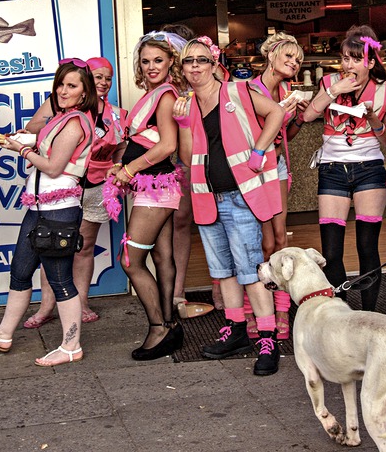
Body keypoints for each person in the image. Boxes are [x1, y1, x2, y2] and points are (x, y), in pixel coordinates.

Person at [0, 59, 97, 366]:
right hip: (38, 208)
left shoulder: (76, 122)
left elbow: (53, 167)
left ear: (84, 92)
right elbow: (45, 151)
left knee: (60, 279)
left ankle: (71, 345)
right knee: (21, 271)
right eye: (61, 84)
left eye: (72, 86)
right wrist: (27, 142)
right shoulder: (60, 119)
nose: (64, 91)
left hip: (59, 211)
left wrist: (21, 150)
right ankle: (3, 333)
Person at [173, 36, 286, 375]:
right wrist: (181, 125)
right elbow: (185, 156)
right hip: (208, 198)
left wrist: (259, 150)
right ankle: (236, 330)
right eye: (188, 61)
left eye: (201, 60)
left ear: (213, 63)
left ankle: (267, 338)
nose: (195, 66)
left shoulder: (237, 91)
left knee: (250, 270)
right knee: (223, 273)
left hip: (240, 198)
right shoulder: (187, 105)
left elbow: (277, 112)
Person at [21, 56, 125, 328]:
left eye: (107, 77)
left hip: (97, 187)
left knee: (84, 248)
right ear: (86, 81)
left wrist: (119, 170)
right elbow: (32, 130)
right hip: (64, 188)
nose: (103, 82)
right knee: (50, 246)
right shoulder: (62, 105)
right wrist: (56, 122)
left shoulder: (116, 113)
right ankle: (46, 307)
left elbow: (122, 148)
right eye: (97, 76)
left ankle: (81, 303)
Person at [105, 31, 187, 360]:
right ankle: (170, 324)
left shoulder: (165, 96)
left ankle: (159, 328)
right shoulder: (155, 94)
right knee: (161, 257)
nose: (151, 66)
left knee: (130, 261)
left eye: (158, 60)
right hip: (155, 185)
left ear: (171, 62)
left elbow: (168, 145)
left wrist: (128, 169)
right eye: (145, 61)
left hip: (156, 186)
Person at [300, 25, 386, 312]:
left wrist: (374, 118)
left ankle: (368, 315)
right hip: (332, 169)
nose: (348, 65)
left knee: (367, 247)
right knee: (331, 250)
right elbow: (307, 115)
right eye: (345, 58)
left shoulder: (385, 89)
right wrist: (334, 91)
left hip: (369, 169)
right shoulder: (330, 81)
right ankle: (341, 313)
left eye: (356, 59)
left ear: (371, 62)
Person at [249, 31, 309, 339]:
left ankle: (282, 305)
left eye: (298, 59)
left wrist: (296, 119)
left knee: (279, 239)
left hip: (279, 166)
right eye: (288, 56)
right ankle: (256, 308)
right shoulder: (249, 90)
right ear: (271, 56)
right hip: (256, 170)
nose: (294, 62)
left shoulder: (286, 90)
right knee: (260, 242)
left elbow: (287, 137)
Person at [159, 22, 212, 318]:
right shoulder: (160, 83)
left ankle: (190, 291)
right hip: (166, 162)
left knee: (191, 222)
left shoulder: (203, 81)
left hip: (197, 161)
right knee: (173, 224)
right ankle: (172, 293)